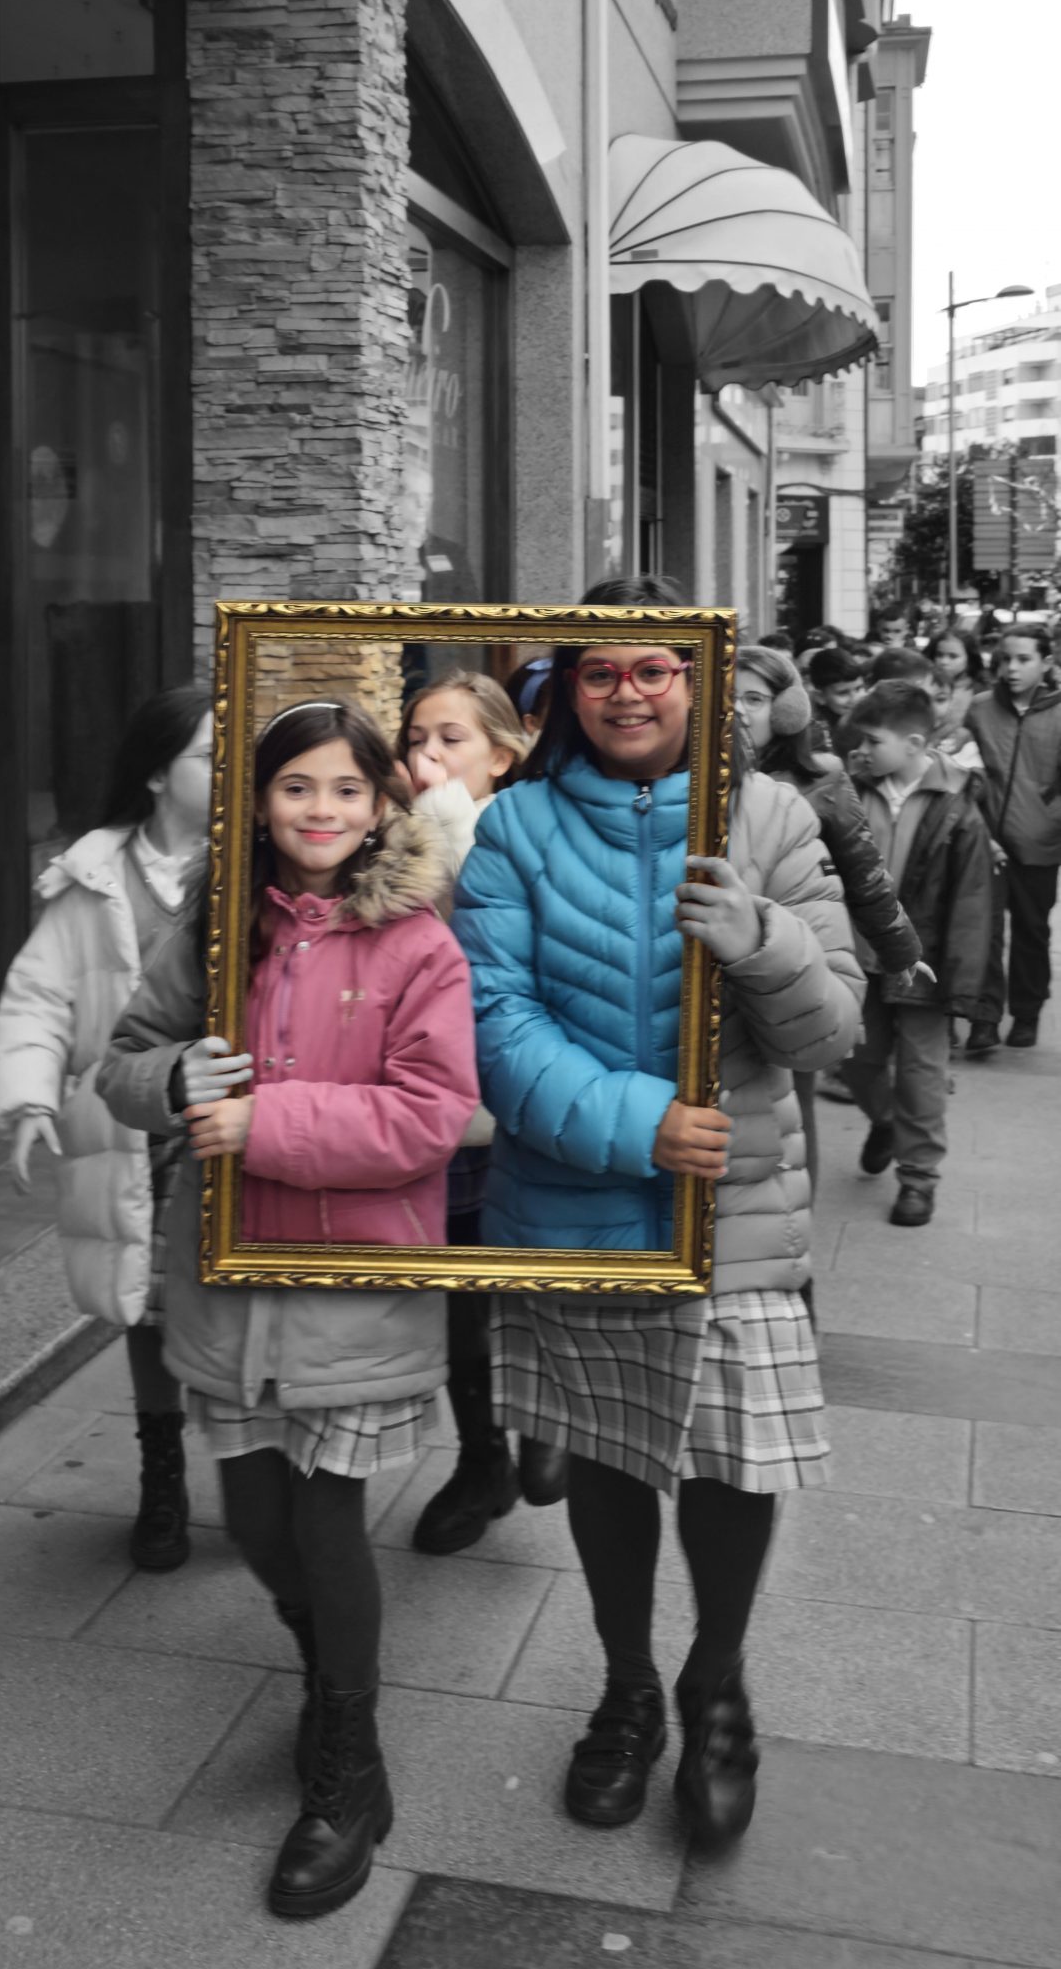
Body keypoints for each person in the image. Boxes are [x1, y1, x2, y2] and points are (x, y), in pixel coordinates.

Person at [454, 576, 861, 1852]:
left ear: (698, 678)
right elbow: (492, 1021)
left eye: (652, 668)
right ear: (565, 689)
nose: (627, 691)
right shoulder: (514, 827)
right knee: (609, 1458)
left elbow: (831, 1031)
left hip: (738, 1209)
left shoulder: (773, 816)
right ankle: (627, 1684)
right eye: (600, 670)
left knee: (737, 1458)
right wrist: (639, 1122)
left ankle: (715, 1680)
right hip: (572, 1202)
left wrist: (759, 937)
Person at [99, 698, 478, 1922]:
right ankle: (326, 1674)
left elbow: (432, 1115)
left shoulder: (419, 943)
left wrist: (265, 1120)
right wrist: (172, 1078)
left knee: (326, 1521)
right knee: (257, 1525)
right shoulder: (217, 927)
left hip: (354, 1288)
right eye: (296, 786)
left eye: (346, 789)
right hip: (226, 1283)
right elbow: (123, 1061)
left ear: (381, 805)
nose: (321, 809)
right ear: (259, 802)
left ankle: (349, 1766)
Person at [0, 688, 213, 1573]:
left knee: (232, 1295)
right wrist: (30, 1100)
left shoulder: (256, 860)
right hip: (127, 1128)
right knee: (142, 1303)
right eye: (208, 756)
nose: (230, 771)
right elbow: (39, 998)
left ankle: (257, 1472)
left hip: (227, 1126)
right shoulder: (91, 878)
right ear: (156, 773)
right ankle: (163, 1478)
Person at [395, 669, 565, 1552]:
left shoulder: (535, 828)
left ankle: (549, 1421)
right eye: (415, 739)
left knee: (528, 1273)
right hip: (443, 1106)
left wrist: (446, 822)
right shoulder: (399, 833)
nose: (427, 756)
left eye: (450, 739)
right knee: (459, 1290)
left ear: (503, 754)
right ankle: (480, 1458)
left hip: (527, 1098)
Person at [733, 646, 922, 1188]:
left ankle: (797, 1233)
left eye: (755, 699)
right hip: (716, 965)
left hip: (795, 965)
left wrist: (901, 949)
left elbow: (865, 872)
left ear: (786, 710)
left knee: (792, 1106)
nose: (739, 710)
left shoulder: (822, 780)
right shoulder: (687, 776)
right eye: (730, 697)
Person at [843, 679, 994, 1225]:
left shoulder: (958, 804)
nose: (861, 750)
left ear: (913, 744)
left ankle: (918, 1177)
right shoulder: (851, 790)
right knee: (856, 1060)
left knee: (921, 1072)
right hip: (858, 958)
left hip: (925, 966)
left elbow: (973, 899)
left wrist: (963, 982)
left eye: (872, 741)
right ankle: (885, 1121)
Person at [966, 623, 1061, 1050]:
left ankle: (1027, 1012)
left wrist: (1050, 818)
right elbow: (964, 773)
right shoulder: (980, 709)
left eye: (1024, 659)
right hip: (984, 843)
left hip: (1040, 843)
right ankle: (983, 1018)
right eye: (1005, 658)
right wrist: (978, 827)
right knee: (983, 933)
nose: (1012, 668)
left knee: (1031, 932)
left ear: (1046, 662)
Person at [926, 626, 986, 737]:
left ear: (969, 659)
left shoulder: (979, 692)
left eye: (953, 656)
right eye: (939, 655)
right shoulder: (924, 685)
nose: (944, 662)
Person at [806, 646, 867, 752]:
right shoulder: (814, 731)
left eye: (858, 688)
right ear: (820, 697)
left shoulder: (872, 713)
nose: (855, 699)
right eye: (843, 693)